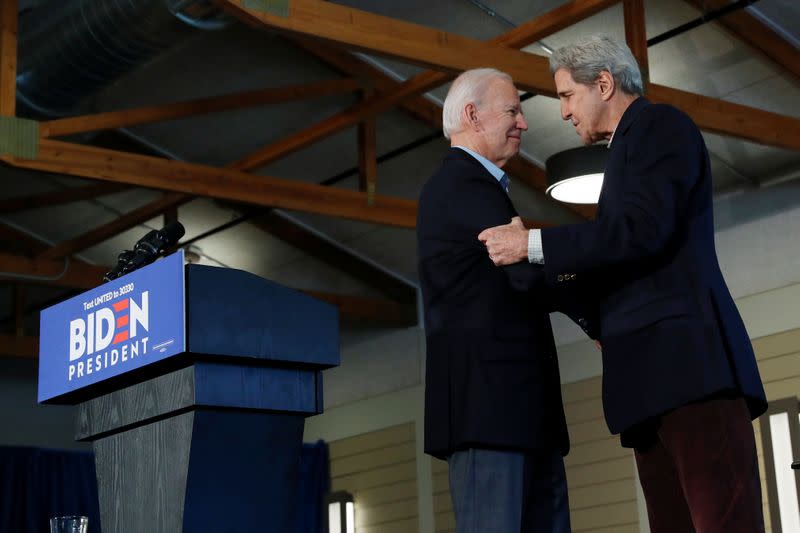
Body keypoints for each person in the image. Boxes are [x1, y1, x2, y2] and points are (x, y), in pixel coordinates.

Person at [478, 35, 767, 532]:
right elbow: (620, 256)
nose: (564, 112)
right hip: (650, 386)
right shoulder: (628, 151)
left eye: (567, 95)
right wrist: (575, 304)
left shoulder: (661, 127)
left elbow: (640, 232)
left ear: (604, 84)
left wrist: (533, 246)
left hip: (690, 373)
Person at [418, 67, 595, 533]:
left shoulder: (479, 189)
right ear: (472, 115)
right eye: (513, 110)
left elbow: (525, 271)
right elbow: (523, 275)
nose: (525, 123)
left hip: (514, 416)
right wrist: (596, 310)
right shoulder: (460, 185)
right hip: (490, 418)